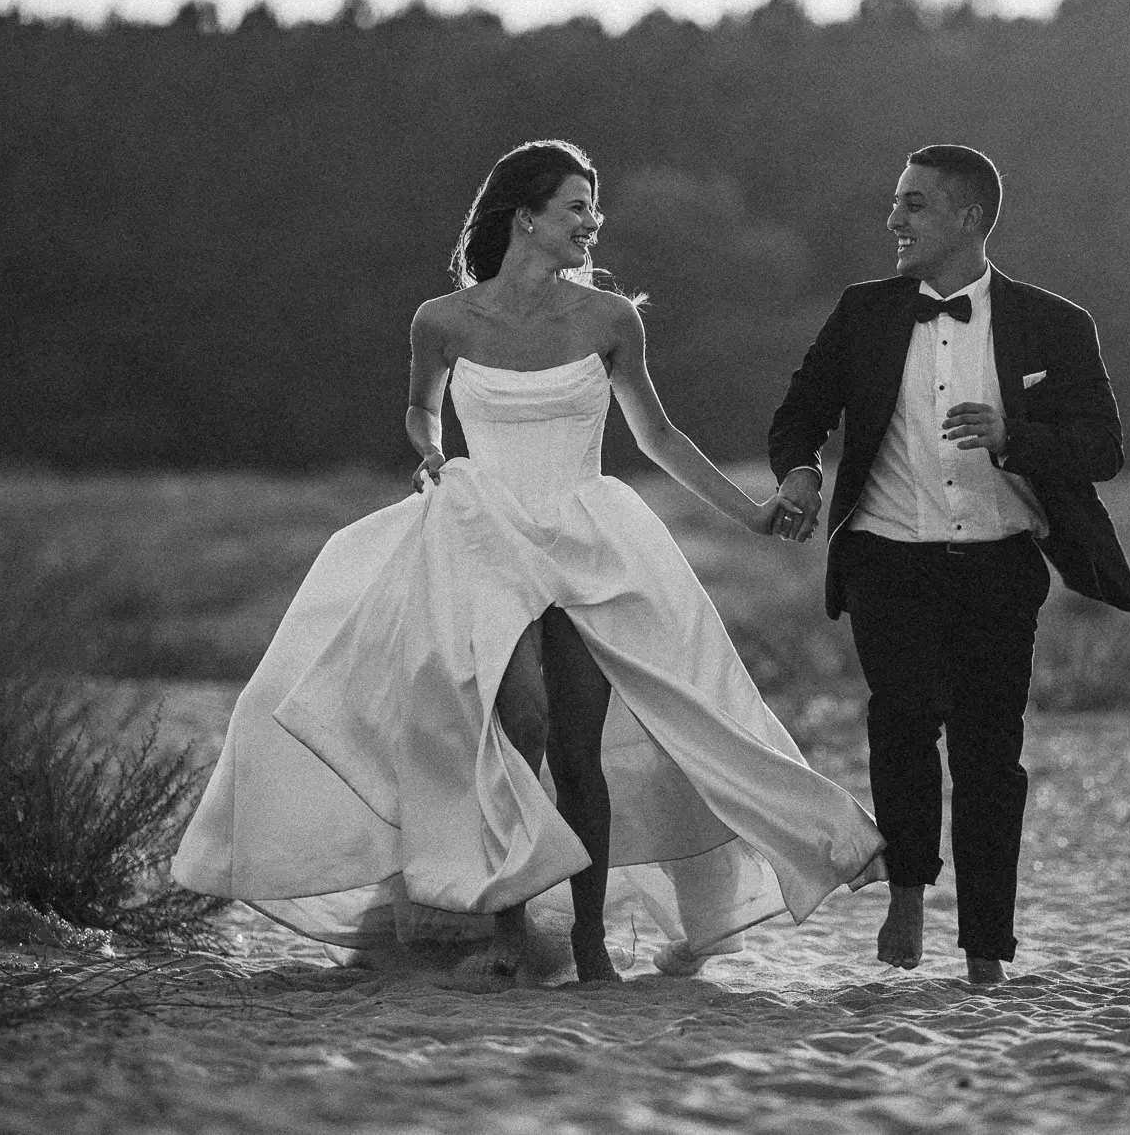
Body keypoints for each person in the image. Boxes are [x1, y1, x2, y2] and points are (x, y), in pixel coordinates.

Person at [172, 139, 885, 986]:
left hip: (586, 540)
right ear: (526, 217)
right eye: (577, 205)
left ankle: (587, 943)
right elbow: (419, 409)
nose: (593, 221)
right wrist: (430, 452)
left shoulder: (611, 320)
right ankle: (507, 928)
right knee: (518, 722)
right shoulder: (441, 320)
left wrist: (751, 512)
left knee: (580, 751)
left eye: (594, 207)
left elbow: (658, 435)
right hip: (486, 536)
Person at [766, 144, 1130, 985]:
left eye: (915, 204)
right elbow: (801, 411)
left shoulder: (1055, 324)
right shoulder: (863, 313)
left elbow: (1103, 448)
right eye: (896, 201)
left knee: (989, 756)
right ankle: (906, 891)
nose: (894, 219)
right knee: (900, 725)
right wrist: (800, 470)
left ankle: (984, 950)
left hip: (999, 567)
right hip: (886, 560)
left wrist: (1016, 438)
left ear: (970, 217)